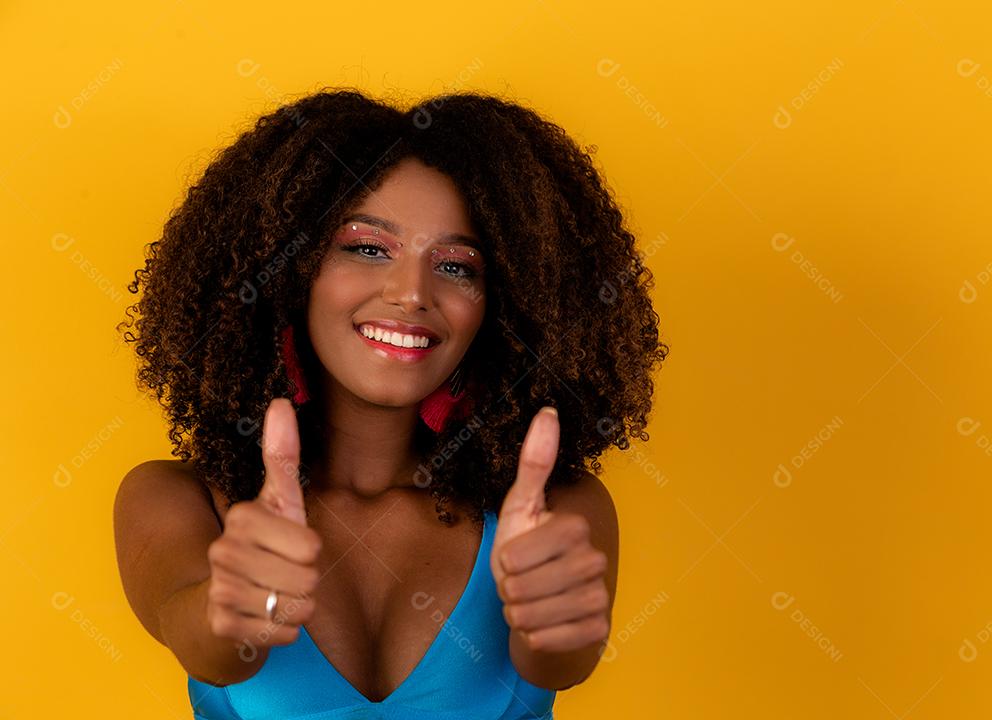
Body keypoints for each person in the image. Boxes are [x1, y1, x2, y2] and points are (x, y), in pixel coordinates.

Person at [113, 88, 668, 719]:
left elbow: (560, 664)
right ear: (288, 270)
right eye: (367, 247)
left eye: (457, 266)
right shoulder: (175, 499)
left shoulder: (554, 507)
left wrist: (559, 622)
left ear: (504, 304)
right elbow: (208, 648)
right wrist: (234, 603)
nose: (411, 293)